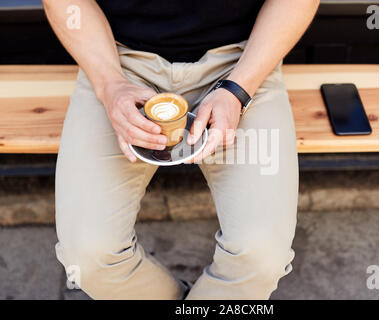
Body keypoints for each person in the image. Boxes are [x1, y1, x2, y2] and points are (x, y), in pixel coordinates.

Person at [43, 0, 319, 299]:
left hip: (242, 63)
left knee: (262, 255)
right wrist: (110, 85)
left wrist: (238, 90)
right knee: (88, 256)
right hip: (118, 61)